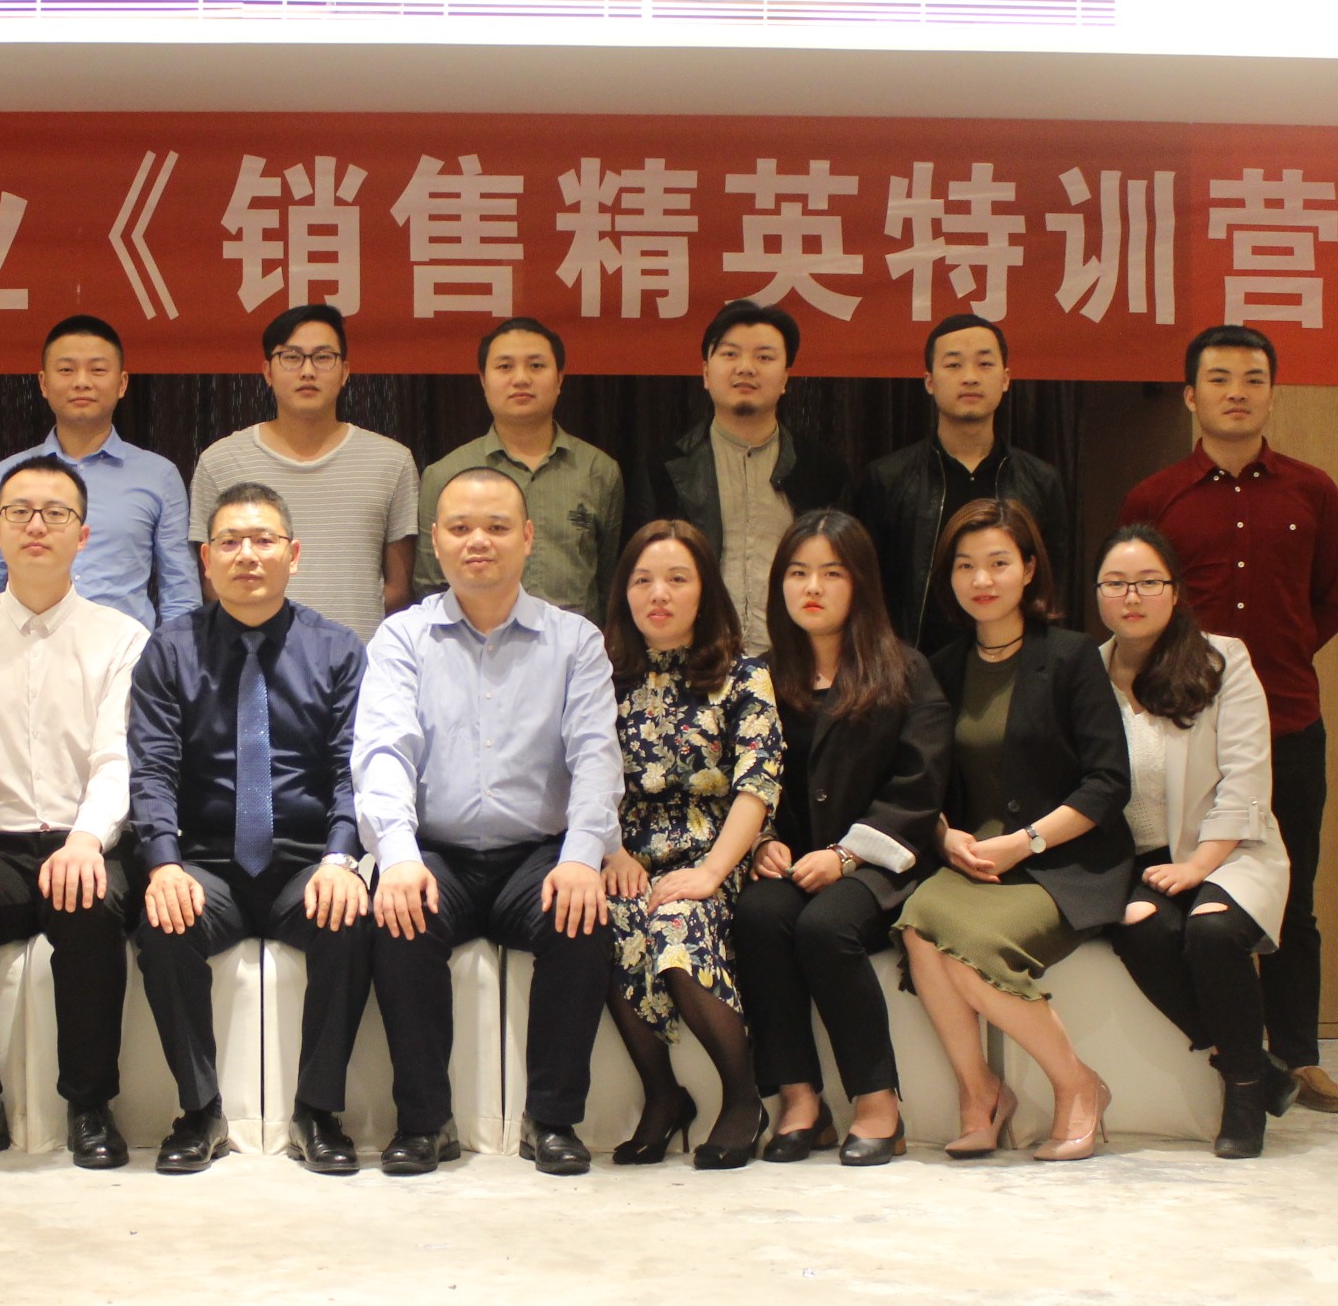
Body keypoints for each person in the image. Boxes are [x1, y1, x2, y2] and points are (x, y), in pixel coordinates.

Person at [1119, 324, 1338, 1114]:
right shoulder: (1155, 498)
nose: (1237, 393)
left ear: (1272, 393)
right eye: (1219, 379)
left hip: (1288, 721)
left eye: (1253, 379)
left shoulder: (1313, 491)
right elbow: (1139, 612)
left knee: (1294, 895)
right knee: (1194, 891)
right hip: (1184, 735)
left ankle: (1299, 1056)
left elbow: (1327, 604)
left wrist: (1258, 678)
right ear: (1190, 395)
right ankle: (1230, 1049)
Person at [358, 467, 620, 1176]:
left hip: (536, 854)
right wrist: (398, 855)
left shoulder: (576, 641)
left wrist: (582, 854)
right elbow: (383, 751)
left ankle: (553, 1120)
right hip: (436, 851)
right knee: (399, 914)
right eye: (461, 528)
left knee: (582, 916)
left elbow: (596, 756)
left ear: (528, 538)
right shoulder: (401, 638)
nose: (479, 541)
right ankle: (424, 1123)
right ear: (436, 542)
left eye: (498, 527)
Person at [0, 455, 151, 1169]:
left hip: (83, 840)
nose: (36, 525)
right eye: (19, 512)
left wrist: (88, 841)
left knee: (91, 907)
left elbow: (117, 760)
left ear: (83, 535)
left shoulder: (122, 638)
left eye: (56, 513)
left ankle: (89, 1105)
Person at [130, 482, 374, 1175]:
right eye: (230, 542)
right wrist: (164, 863)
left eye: (264, 540)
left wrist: (341, 858)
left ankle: (317, 1111)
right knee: (163, 922)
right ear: (206, 560)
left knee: (350, 920)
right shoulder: (169, 650)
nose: (247, 555)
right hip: (206, 862)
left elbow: (352, 769)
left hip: (305, 861)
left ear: (293, 554)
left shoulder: (337, 649)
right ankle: (199, 1111)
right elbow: (152, 769)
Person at [895, 498, 1131, 1162]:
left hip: (1062, 862)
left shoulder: (1072, 656)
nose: (982, 579)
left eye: (999, 562)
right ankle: (981, 1095)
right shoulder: (941, 666)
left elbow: (1108, 782)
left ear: (1029, 569)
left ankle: (1078, 1085)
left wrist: (1025, 842)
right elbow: (924, 779)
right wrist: (943, 836)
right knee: (917, 927)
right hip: (974, 859)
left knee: (970, 949)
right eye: (965, 565)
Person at [734, 510, 951, 1167]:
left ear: (860, 583)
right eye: (797, 573)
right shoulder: (762, 675)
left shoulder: (904, 671)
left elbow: (920, 787)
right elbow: (744, 774)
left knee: (825, 927)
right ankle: (801, 1101)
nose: (812, 588)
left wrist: (846, 854)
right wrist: (763, 838)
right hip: (796, 861)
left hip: (882, 863)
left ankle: (879, 1104)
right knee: (759, 915)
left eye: (831, 573)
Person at [1095, 525, 1296, 1157]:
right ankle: (1253, 1067)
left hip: (1231, 847)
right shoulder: (1084, 672)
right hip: (1136, 860)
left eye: (1148, 582)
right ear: (1097, 593)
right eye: (1116, 583)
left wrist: (1200, 866)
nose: (1132, 596)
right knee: (1141, 929)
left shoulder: (1221, 660)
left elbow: (1246, 775)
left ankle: (1244, 1095)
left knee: (1211, 930)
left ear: (1175, 591)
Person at [598, 520, 783, 1170]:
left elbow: (758, 781)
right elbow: (581, 774)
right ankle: (663, 1096)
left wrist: (710, 871)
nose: (659, 594)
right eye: (643, 580)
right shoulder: (603, 679)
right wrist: (611, 850)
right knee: (606, 920)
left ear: (705, 591)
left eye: (677, 579)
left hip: (717, 855)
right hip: (628, 857)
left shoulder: (743, 676)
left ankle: (742, 1097)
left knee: (675, 920)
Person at [188, 304, 418, 644]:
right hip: (251, 660)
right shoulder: (220, 462)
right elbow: (212, 583)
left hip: (358, 662)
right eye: (291, 357)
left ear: (345, 371)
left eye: (323, 357)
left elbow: (398, 589)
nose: (307, 371)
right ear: (267, 372)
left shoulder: (392, 462)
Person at [851, 314, 1073, 652]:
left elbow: (1055, 590)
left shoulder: (1041, 482)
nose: (970, 377)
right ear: (929, 381)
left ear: (1005, 379)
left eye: (985, 364)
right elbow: (866, 594)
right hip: (912, 668)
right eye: (953, 365)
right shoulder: (887, 480)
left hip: (1016, 664)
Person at [648, 300, 850, 655]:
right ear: (706, 373)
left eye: (764, 357)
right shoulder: (663, 469)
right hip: (697, 659)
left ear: (785, 378)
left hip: (794, 660)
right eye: (730, 354)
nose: (746, 368)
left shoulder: (823, 470)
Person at [0, 316, 197, 630]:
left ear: (122, 384)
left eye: (98, 370)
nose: (81, 382)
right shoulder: (6, 475)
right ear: (43, 383)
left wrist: (173, 657)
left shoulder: (159, 475)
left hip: (127, 654)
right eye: (66, 370)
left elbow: (180, 593)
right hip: (24, 649)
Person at [413, 319, 624, 624]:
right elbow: (430, 585)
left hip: (572, 647)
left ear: (560, 378)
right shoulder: (445, 474)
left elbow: (609, 583)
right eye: (505, 367)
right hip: (471, 645)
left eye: (536, 366)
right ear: (483, 381)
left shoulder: (598, 471)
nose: (521, 378)